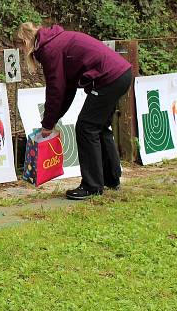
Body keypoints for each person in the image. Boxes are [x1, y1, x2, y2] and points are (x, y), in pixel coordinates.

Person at [15, 22, 132, 200]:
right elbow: (67, 89)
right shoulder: (55, 41)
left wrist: (47, 124)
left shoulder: (49, 50)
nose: (24, 53)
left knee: (86, 127)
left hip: (108, 77)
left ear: (26, 42)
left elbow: (56, 90)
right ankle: (111, 179)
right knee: (99, 127)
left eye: (22, 48)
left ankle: (92, 186)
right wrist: (52, 121)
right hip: (121, 74)